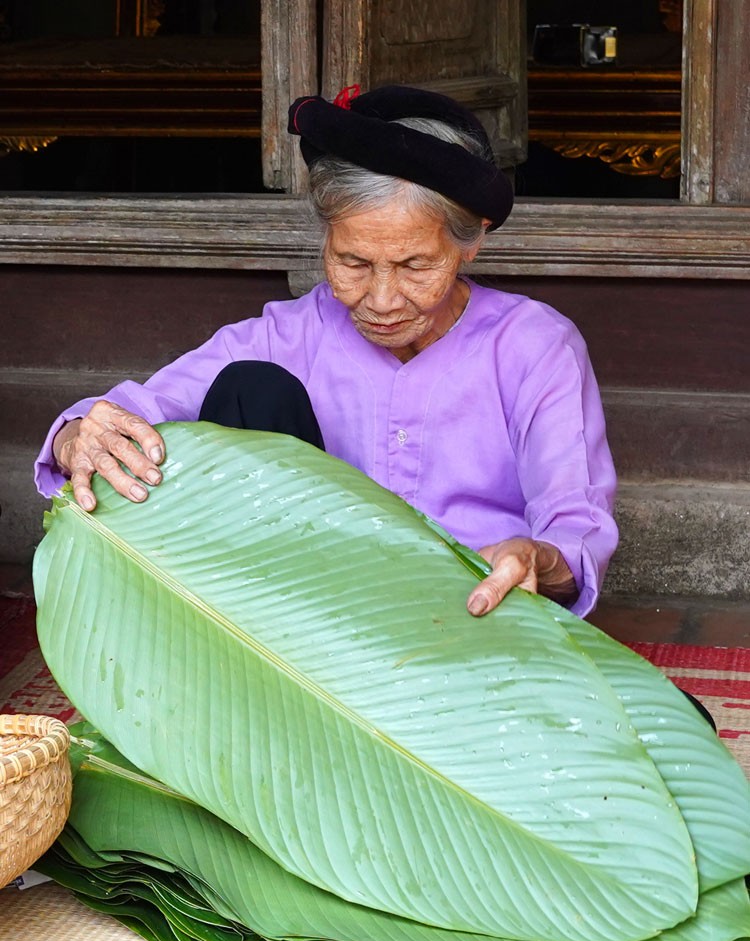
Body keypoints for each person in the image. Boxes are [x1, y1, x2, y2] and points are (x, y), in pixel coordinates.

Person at [34, 84, 617, 620]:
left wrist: (536, 559)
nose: (382, 299)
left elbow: (575, 527)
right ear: (326, 241)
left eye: (415, 266)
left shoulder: (535, 346)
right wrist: (77, 435)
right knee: (251, 390)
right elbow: (130, 413)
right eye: (353, 263)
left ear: (471, 244)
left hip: (472, 615)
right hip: (311, 626)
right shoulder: (289, 335)